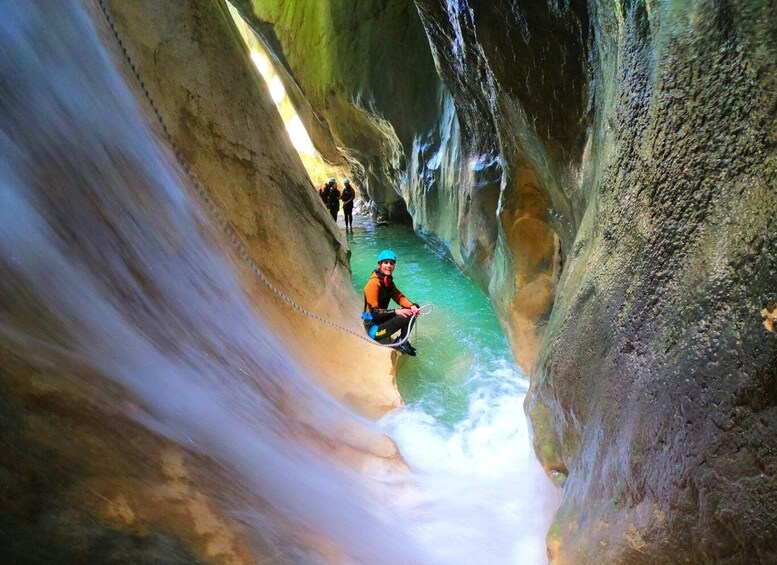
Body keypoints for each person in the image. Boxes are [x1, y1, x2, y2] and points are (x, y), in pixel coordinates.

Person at [362, 250, 420, 356]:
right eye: (386, 262)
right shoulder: (373, 284)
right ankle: (400, 342)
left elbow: (399, 297)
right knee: (404, 315)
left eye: (391, 263)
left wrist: (412, 306)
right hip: (374, 329)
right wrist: (396, 311)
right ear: (379, 264)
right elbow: (375, 312)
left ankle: (402, 340)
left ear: (394, 266)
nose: (389, 265)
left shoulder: (388, 282)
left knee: (413, 308)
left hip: (382, 320)